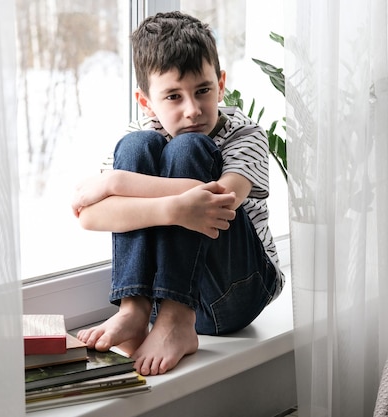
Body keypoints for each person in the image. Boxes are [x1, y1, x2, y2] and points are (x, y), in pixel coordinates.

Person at [71, 11, 284, 377]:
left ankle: (176, 319)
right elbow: (89, 216)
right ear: (147, 102)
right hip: (159, 293)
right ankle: (134, 310)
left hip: (236, 290)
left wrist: (116, 184)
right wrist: (175, 208)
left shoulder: (244, 134)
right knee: (138, 145)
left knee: (189, 150)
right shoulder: (143, 131)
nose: (192, 109)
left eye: (203, 90)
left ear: (221, 82)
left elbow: (222, 201)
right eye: (173, 96)